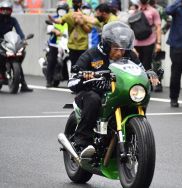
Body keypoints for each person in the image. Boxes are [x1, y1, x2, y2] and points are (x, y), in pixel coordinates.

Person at [68, 21, 159, 156]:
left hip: (117, 91)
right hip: (92, 92)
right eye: (116, 48)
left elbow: (140, 71)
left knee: (137, 97)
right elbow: (72, 82)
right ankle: (82, 141)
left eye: (123, 49)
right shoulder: (90, 55)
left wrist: (150, 74)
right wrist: (84, 77)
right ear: (106, 45)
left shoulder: (129, 55)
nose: (120, 52)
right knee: (93, 100)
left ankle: (137, 137)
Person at [49, 0, 92, 69]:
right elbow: (60, 21)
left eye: (77, 2)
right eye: (74, 2)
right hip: (72, 46)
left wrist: (81, 23)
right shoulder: (69, 15)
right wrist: (53, 20)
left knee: (83, 67)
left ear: (81, 3)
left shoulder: (85, 16)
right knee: (74, 66)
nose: (76, 4)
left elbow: (89, 30)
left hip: (83, 46)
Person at [0, 0, 33, 92]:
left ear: (11, 10)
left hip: (8, 42)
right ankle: (1, 74)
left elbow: (19, 31)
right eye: (3, 9)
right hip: (0, 42)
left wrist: (23, 40)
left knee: (17, 58)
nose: (5, 11)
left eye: (7, 9)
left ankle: (23, 85)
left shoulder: (13, 20)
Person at [45, 1, 69, 87]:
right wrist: (54, 30)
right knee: (52, 60)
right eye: (60, 9)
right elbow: (49, 28)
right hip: (54, 44)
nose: (61, 11)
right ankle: (48, 80)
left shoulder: (68, 20)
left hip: (66, 43)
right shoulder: (54, 19)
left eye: (63, 10)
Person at [133, 0, 161, 72]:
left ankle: (147, 82)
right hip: (136, 43)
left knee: (146, 66)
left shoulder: (153, 11)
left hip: (149, 42)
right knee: (135, 66)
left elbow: (158, 27)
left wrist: (158, 43)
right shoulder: (134, 11)